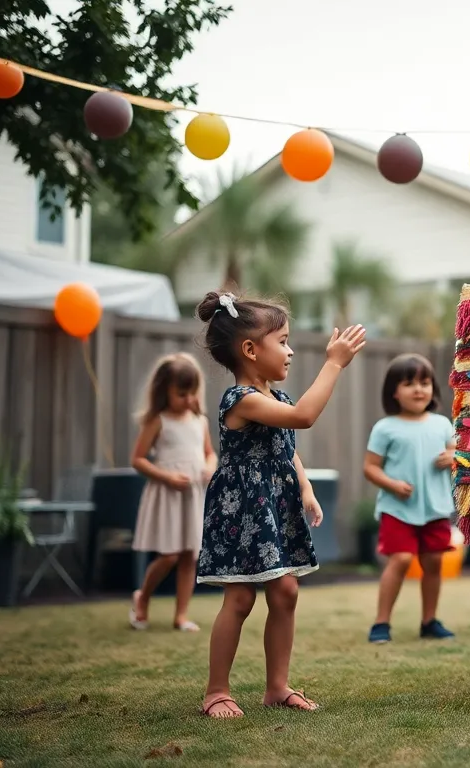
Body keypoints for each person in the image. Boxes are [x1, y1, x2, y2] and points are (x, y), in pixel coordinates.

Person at [194, 291, 367, 719]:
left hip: (274, 505)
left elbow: (287, 448)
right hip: (243, 512)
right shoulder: (242, 401)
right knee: (239, 600)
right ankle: (216, 690)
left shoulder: (277, 400)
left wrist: (305, 487)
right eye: (283, 341)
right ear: (250, 350)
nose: (290, 351)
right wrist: (334, 363)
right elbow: (305, 418)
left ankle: (277, 687)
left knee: (286, 590)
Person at [363, 354, 458, 644]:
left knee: (433, 563)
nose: (418, 389)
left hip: (435, 508)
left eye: (425, 383)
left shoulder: (443, 424)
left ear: (433, 389)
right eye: (409, 383)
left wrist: (454, 458)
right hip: (398, 509)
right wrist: (392, 484)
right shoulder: (385, 428)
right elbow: (369, 467)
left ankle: (429, 621)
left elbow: (457, 454)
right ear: (394, 391)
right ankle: (381, 623)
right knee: (401, 559)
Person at [128, 352, 215, 633]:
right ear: (164, 391)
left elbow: (209, 454)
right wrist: (166, 476)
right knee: (169, 556)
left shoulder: (199, 420)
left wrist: (209, 468)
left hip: (193, 495)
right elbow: (138, 459)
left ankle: (181, 615)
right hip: (168, 494)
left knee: (190, 555)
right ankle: (142, 598)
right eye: (181, 393)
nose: (189, 399)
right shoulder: (158, 420)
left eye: (192, 393)